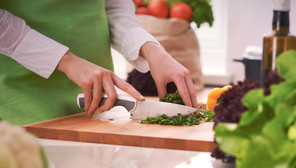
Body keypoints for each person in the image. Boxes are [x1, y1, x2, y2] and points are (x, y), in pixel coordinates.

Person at [0, 0, 198, 126]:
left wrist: (152, 49)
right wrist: (65, 61)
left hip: (101, 100)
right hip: (24, 96)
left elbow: (114, 9)